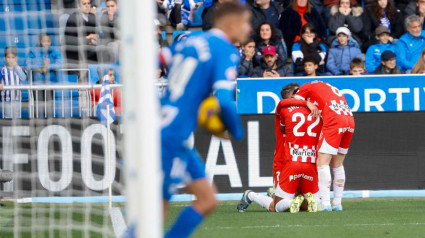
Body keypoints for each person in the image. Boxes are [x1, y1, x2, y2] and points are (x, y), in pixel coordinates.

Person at [160, 2, 248, 237]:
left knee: (207, 199)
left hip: (165, 126)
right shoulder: (225, 50)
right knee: (155, 215)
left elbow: (160, 57)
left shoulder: (188, 40)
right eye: (246, 22)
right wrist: (237, 132)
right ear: (231, 23)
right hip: (171, 134)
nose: (249, 29)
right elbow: (224, 100)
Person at [238, 83, 322, 213]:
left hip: (291, 159)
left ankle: (266, 194)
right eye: (299, 91)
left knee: (285, 205)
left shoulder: (292, 109)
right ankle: (251, 195)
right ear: (294, 94)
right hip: (284, 161)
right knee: (276, 205)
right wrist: (307, 103)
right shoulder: (303, 108)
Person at [276, 81, 355, 212]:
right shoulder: (325, 86)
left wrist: (306, 102)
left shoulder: (305, 88)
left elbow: (293, 102)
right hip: (349, 119)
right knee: (338, 163)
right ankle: (337, 203)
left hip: (334, 120)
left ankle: (325, 203)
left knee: (322, 163)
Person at [64, 0, 99, 65]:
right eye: (84, 4)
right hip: (76, 52)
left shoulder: (93, 17)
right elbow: (69, 40)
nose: (87, 5)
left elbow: (97, 34)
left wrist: (96, 36)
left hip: (90, 49)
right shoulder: (73, 18)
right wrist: (88, 39)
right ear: (79, 6)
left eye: (88, 3)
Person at [0, 46, 27, 118]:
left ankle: (16, 129)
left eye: (13, 57)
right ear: (5, 58)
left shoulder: (20, 68)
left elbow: (23, 78)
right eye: (8, 57)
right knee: (7, 116)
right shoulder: (2, 69)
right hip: (6, 99)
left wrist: (17, 67)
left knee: (16, 116)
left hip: (17, 98)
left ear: (16, 58)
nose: (11, 60)